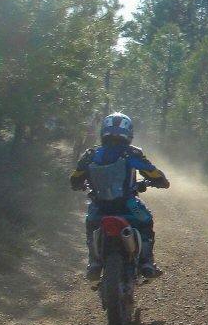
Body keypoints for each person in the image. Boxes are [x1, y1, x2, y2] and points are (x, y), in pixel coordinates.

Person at [70, 112, 170, 280]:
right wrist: (160, 181)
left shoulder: (90, 155)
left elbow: (75, 179)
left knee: (90, 225)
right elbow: (153, 173)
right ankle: (146, 261)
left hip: (99, 207)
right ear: (128, 133)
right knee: (146, 221)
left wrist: (81, 185)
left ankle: (94, 263)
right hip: (129, 205)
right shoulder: (131, 154)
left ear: (104, 131)